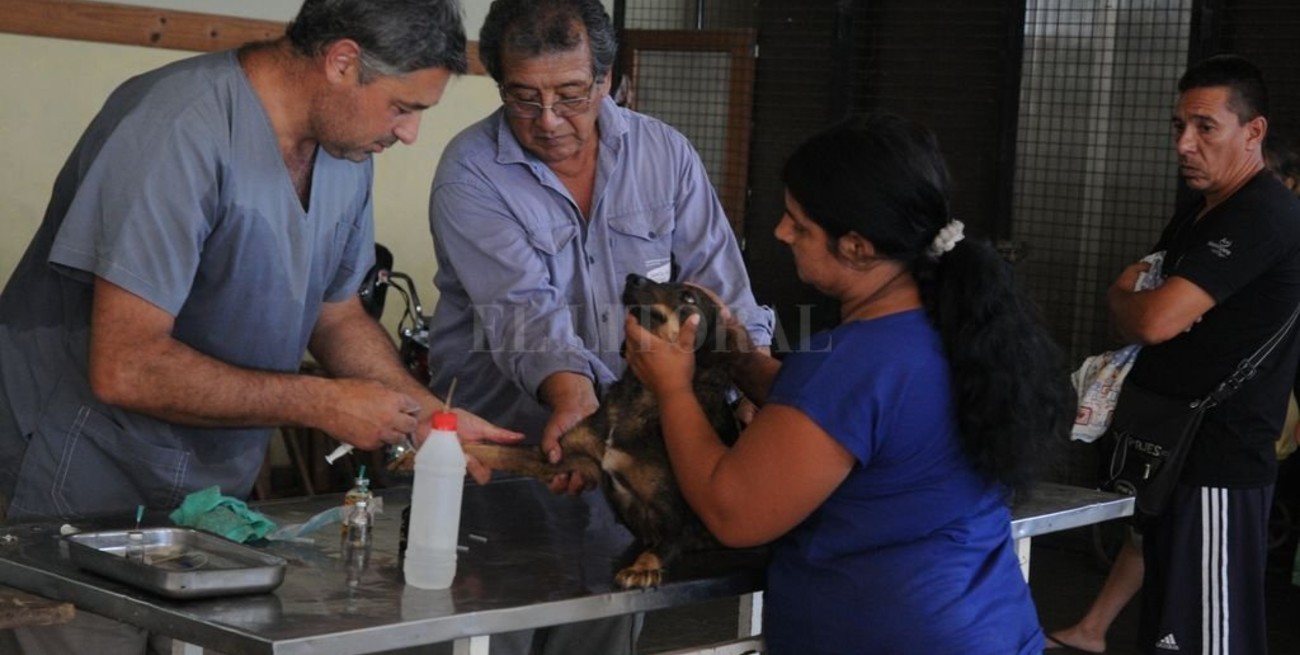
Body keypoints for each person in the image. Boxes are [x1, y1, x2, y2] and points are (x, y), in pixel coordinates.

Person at [0, 0, 522, 651]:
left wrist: (425, 418)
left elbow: (336, 313)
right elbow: (125, 365)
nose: (410, 133)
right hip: (77, 479)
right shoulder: (178, 129)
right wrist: (321, 403)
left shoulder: (345, 153)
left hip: (207, 501)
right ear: (342, 62)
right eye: (402, 107)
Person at [624, 112, 1073, 654]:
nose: (781, 233)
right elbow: (844, 419)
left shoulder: (851, 361)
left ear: (857, 247)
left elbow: (733, 513)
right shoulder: (958, 326)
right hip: (987, 626)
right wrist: (740, 357)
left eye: (799, 225)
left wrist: (672, 389)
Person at [424, 0, 773, 470]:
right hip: (519, 445)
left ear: (605, 80)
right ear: (500, 84)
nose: (548, 120)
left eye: (570, 95)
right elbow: (520, 309)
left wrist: (755, 381)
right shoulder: (471, 174)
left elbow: (720, 285)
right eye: (524, 97)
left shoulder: (664, 154)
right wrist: (574, 399)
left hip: (653, 443)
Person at [1048, 119, 1300, 655]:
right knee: (1164, 602)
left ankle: (1092, 629)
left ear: (1251, 132)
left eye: (1205, 127)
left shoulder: (1267, 216)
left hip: (1220, 455)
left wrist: (1127, 299)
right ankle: (1093, 629)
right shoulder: (1201, 212)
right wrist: (1131, 301)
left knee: (1206, 631)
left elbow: (1152, 319)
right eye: (1179, 126)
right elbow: (1142, 296)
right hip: (1173, 449)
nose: (1185, 143)